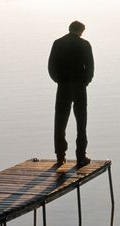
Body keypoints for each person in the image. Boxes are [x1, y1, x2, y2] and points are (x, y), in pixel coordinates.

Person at [48, 21, 94, 167]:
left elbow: (51, 66)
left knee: (60, 123)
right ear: (80, 31)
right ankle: (81, 156)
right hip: (79, 88)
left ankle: (60, 156)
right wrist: (85, 82)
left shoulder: (57, 43)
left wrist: (59, 81)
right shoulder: (85, 44)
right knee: (81, 123)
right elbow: (90, 67)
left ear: (69, 29)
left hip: (63, 87)